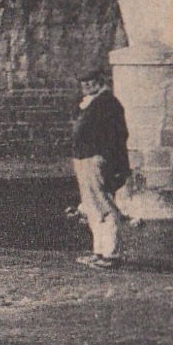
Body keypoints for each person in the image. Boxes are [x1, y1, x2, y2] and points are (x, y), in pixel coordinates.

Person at [70, 69, 133, 268]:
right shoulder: (89, 103)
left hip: (97, 159)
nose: (87, 86)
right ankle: (99, 251)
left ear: (101, 81)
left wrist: (112, 163)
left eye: (91, 81)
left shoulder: (108, 103)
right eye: (83, 83)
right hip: (84, 159)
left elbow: (117, 136)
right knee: (91, 207)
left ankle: (111, 254)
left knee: (103, 205)